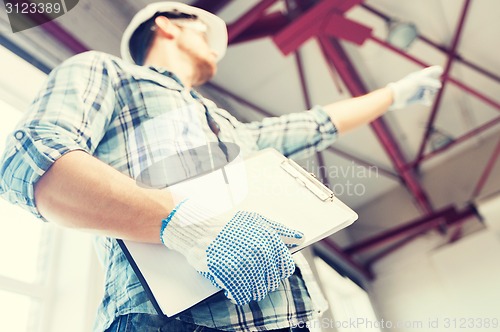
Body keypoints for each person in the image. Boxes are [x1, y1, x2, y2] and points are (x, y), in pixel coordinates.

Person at [0, 2, 443, 331]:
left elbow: (312, 125)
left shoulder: (231, 128)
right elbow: (31, 163)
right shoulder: (109, 73)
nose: (215, 45)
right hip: (168, 321)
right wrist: (186, 225)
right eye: (202, 29)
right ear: (167, 24)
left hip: (285, 319)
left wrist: (393, 94)